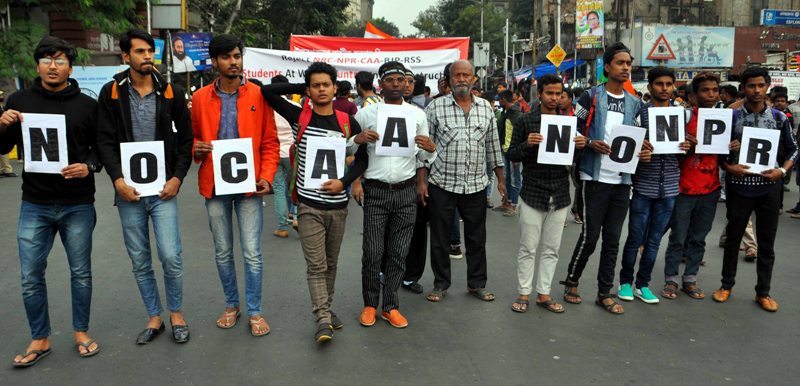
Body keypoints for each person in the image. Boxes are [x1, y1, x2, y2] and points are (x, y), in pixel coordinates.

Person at [1, 36, 102, 367]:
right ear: (37, 65)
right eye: (46, 60)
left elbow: (100, 149)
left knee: (81, 272)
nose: (52, 66)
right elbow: (4, 149)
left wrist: (86, 166)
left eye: (59, 61)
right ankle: (40, 337)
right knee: (31, 275)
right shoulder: (18, 100)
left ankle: (81, 332)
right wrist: (2, 126)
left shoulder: (87, 106)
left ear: (70, 67)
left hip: (77, 203)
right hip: (35, 202)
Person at [96, 29, 193, 344]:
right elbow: (105, 141)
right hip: (129, 193)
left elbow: (186, 140)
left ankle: (176, 313)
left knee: (171, 255)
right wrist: (117, 181)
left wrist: (177, 178)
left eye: (150, 51)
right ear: (126, 56)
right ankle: (155, 316)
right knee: (139, 258)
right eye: (139, 51)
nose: (147, 56)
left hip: (164, 190)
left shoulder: (171, 92)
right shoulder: (111, 92)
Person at [261, 62, 368, 342]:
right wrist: (301, 88)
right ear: (310, 89)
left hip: (338, 206)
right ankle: (322, 317)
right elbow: (268, 92)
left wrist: (343, 183)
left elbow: (363, 159)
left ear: (335, 87)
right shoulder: (300, 116)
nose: (321, 90)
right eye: (316, 85)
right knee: (316, 266)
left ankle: (326, 308)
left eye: (326, 85)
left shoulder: (347, 121)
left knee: (331, 263)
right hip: (308, 205)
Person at [190, 34, 279, 336]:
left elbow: (270, 141)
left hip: (250, 187)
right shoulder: (201, 98)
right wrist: (195, 149)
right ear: (214, 62)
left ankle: (254, 310)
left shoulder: (258, 94)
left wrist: (266, 175)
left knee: (252, 252)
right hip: (214, 186)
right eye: (227, 57)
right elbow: (190, 139)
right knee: (223, 251)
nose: (234, 62)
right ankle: (232, 305)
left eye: (237, 56)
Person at [560, 42, 651, 315]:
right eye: (620, 63)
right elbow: (571, 130)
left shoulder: (636, 103)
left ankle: (604, 292)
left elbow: (639, 139)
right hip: (594, 177)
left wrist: (644, 151)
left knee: (613, 238)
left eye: (628, 63)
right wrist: (589, 142)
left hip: (622, 180)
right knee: (590, 236)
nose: (625, 68)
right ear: (607, 67)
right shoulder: (590, 98)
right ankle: (572, 280)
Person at [353, 61, 436, 329]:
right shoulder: (366, 114)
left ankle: (390, 306)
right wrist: (358, 140)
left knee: (399, 252)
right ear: (381, 83)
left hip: (405, 191)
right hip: (376, 190)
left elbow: (424, 156)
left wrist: (432, 149)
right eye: (391, 79)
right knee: (373, 251)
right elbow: (351, 151)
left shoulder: (417, 115)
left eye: (402, 79)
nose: (397, 84)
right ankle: (369, 303)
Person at [421, 59, 506, 303]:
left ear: (473, 79)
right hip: (442, 184)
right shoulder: (435, 108)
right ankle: (441, 284)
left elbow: (493, 146)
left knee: (476, 238)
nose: (461, 79)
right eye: (456, 75)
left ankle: (477, 284)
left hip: (476, 185)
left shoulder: (486, 108)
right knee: (440, 238)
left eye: (465, 75)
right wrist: (422, 181)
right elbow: (424, 150)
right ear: (449, 80)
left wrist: (500, 179)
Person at [715, 66, 798, 312]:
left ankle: (763, 292)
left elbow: (794, 149)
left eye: (761, 85)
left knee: (766, 242)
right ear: (743, 88)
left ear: (767, 86)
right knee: (733, 239)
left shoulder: (780, 118)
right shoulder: (731, 117)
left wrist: (781, 171)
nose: (756, 90)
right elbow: (717, 152)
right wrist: (729, 167)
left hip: (769, 188)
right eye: (751, 86)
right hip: (739, 186)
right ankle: (726, 285)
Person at [507, 74, 586, 314]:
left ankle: (543, 293)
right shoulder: (525, 121)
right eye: (549, 93)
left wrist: (582, 146)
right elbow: (511, 154)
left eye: (558, 94)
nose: (554, 98)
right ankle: (524, 292)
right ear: (539, 93)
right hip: (532, 191)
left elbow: (574, 161)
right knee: (528, 247)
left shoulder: (570, 123)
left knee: (552, 248)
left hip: (560, 193)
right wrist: (527, 144)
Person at [618, 67, 689, 305]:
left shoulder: (681, 115)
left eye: (669, 84)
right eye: (659, 84)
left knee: (655, 240)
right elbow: (627, 147)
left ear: (673, 87)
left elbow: (684, 154)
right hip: (643, 186)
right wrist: (640, 151)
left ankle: (643, 284)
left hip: (669, 187)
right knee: (635, 237)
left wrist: (688, 147)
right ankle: (625, 282)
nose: (664, 88)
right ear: (650, 87)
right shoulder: (640, 113)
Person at [662, 72, 736, 300]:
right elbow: (669, 151)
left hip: (711, 188)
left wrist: (733, 147)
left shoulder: (725, 119)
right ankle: (671, 279)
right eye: (705, 90)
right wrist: (683, 144)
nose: (711, 95)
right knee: (678, 236)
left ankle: (690, 278)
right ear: (694, 95)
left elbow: (724, 157)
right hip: (683, 188)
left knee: (699, 237)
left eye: (715, 90)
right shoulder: (682, 118)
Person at [269, 75, 300, 236]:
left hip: (273, 153)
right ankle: (296, 217)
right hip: (293, 152)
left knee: (279, 190)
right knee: (296, 187)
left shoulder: (268, 106)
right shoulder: (294, 105)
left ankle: (282, 226)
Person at [496, 90, 523, 216]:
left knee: (515, 179)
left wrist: (517, 153)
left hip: (513, 152)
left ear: (503, 100)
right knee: (506, 178)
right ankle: (507, 202)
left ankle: (514, 205)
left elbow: (520, 135)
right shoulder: (506, 113)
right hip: (505, 150)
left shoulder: (516, 114)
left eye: (500, 100)